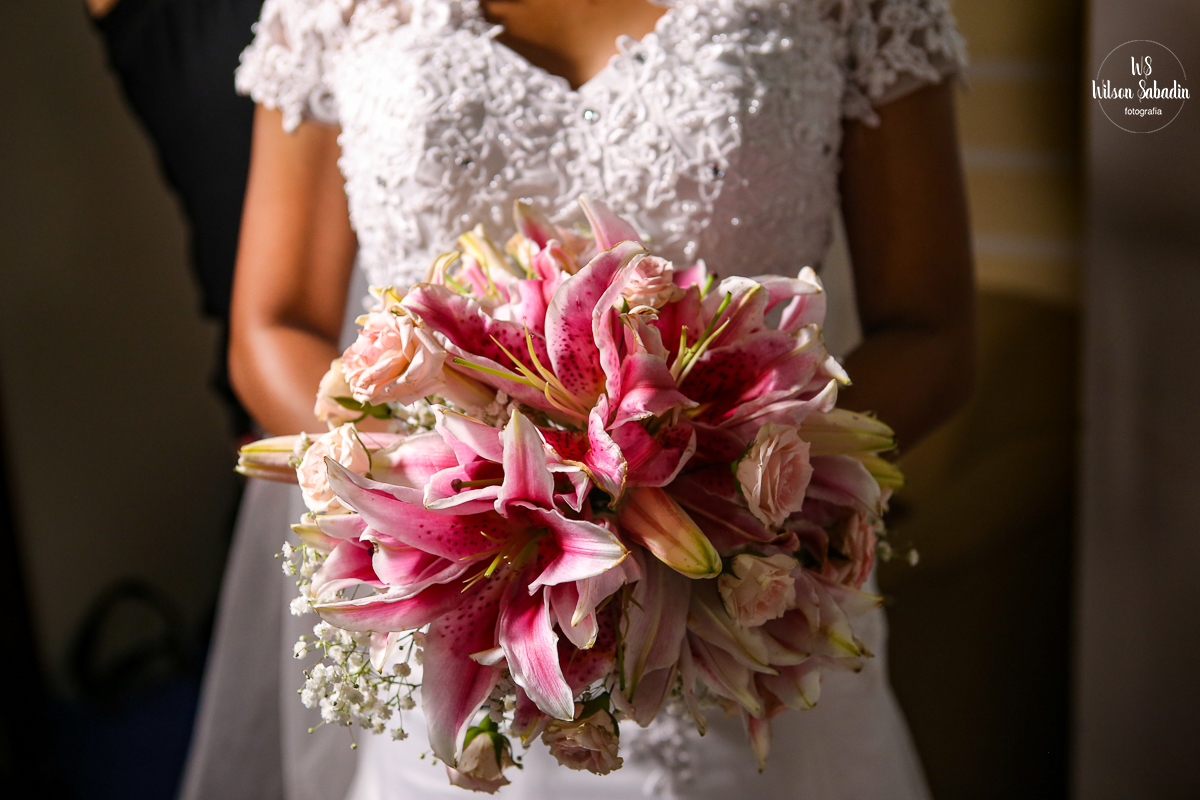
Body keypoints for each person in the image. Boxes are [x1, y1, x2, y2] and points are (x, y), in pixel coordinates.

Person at [207, 0, 976, 797]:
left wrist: (724, 506)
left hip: (746, 615)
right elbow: (273, 328)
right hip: (468, 608)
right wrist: (432, 501)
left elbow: (932, 334)